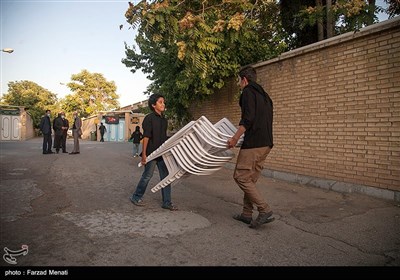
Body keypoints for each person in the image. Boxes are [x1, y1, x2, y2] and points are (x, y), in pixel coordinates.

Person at [227, 66, 274, 229]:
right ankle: (247, 214)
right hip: (266, 144)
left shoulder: (248, 92)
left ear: (244, 79)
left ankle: (264, 209)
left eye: (239, 80)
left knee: (241, 177)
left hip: (254, 144)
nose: (239, 84)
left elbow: (248, 119)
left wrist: (234, 138)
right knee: (250, 180)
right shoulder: (265, 96)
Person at [129, 93, 177, 211]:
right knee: (147, 176)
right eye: (160, 102)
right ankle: (136, 197)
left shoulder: (164, 120)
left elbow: (163, 137)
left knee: (166, 177)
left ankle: (167, 202)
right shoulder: (149, 118)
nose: (163, 104)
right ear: (153, 105)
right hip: (151, 153)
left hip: (162, 152)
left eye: (163, 102)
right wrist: (144, 154)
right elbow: (146, 137)